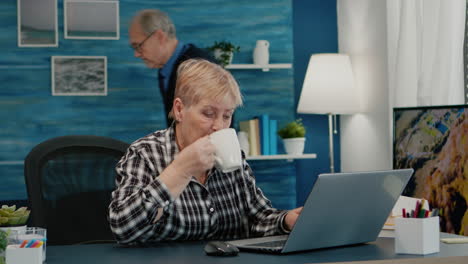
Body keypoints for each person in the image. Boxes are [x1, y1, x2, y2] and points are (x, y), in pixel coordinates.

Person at [108, 59, 302, 245]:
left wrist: (285, 221)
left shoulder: (232, 156)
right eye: (208, 114)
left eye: (227, 116)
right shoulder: (144, 154)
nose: (219, 126)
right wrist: (179, 171)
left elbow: (257, 218)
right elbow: (123, 228)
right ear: (179, 110)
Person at [129, 9, 216, 126]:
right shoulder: (165, 71)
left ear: (159, 37)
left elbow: (212, 123)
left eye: (138, 46)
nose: (137, 54)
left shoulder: (198, 66)